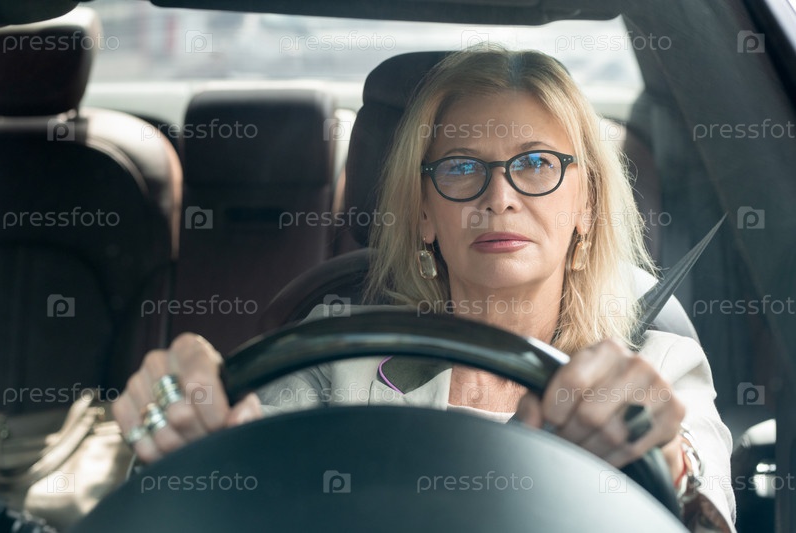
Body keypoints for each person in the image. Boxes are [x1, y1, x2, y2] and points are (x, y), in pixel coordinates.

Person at [113, 46, 735, 531]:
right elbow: (243, 473)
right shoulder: (337, 351)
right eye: (461, 167)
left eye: (536, 163)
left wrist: (662, 455)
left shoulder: (656, 361)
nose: (500, 197)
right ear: (424, 214)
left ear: (588, 206)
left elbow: (705, 509)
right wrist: (194, 429)